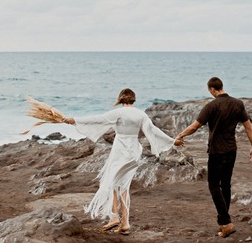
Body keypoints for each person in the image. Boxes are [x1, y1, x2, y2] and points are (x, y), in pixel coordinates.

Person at [64, 88, 179, 236]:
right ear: (133, 99)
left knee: (112, 181)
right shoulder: (140, 114)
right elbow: (153, 131)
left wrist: (75, 120)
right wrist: (172, 141)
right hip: (133, 152)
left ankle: (114, 217)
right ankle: (125, 223)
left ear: (121, 99)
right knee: (123, 186)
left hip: (120, 150)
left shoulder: (119, 113)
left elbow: (98, 119)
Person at [174, 77, 252, 239]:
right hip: (231, 150)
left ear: (212, 89)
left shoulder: (211, 105)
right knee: (225, 185)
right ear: (222, 86)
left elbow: (195, 126)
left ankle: (226, 223)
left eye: (210, 91)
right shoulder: (238, 104)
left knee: (214, 185)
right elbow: (248, 127)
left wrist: (181, 135)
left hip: (216, 151)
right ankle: (223, 222)